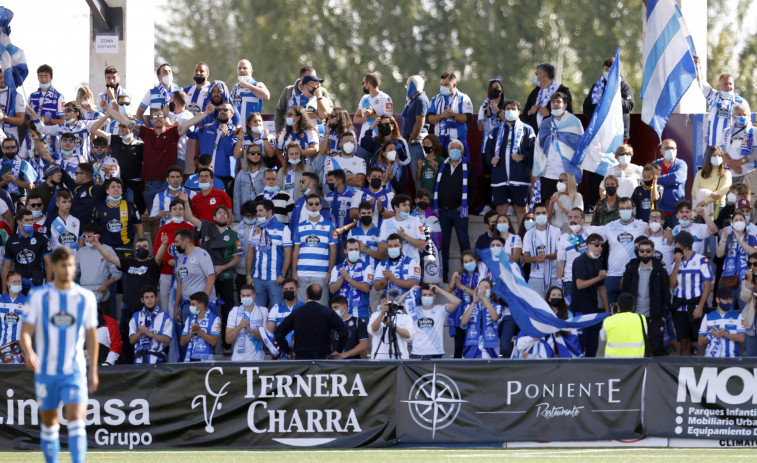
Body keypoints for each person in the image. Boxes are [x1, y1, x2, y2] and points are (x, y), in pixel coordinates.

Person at [19, 246, 99, 463]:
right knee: (50, 423)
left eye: (71, 265)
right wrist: (29, 353)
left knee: (76, 420)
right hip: (47, 371)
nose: (68, 270)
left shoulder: (85, 297)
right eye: (63, 265)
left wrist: (93, 371)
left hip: (74, 370)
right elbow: (25, 332)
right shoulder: (38, 296)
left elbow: (92, 336)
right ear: (54, 266)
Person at [484, 99, 535, 223]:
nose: (510, 111)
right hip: (500, 177)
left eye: (513, 109)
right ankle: (500, 240)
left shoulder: (527, 130)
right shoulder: (496, 130)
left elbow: (534, 152)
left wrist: (522, 157)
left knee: (521, 209)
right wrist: (491, 160)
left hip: (519, 177)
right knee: (500, 209)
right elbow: (487, 151)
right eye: (507, 109)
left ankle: (523, 239)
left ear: (519, 112)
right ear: (503, 111)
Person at [433, 139, 476, 281]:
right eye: (452, 148)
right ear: (448, 151)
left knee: (464, 243)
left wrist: (465, 205)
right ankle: (443, 276)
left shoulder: (467, 166)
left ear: (463, 152)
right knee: (443, 244)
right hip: (443, 212)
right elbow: (436, 185)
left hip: (459, 212)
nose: (455, 151)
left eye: (458, 149)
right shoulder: (442, 166)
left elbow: (473, 189)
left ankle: (467, 276)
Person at [620, 239, 671, 356]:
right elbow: (624, 291)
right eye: (642, 251)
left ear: (653, 252)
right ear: (638, 252)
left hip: (655, 316)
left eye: (648, 251)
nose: (645, 254)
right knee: (637, 348)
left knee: (657, 349)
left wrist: (663, 316)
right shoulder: (631, 268)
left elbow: (666, 293)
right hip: (634, 316)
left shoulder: (660, 269)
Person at [274, 283, 348, 360]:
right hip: (323, 360)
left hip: (302, 359)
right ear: (320, 296)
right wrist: (338, 350)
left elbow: (278, 332)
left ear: (307, 295)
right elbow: (344, 331)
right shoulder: (329, 313)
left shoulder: (296, 313)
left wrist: (288, 351)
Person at [596, 197, 648, 305]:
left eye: (628, 208)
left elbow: (658, 232)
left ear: (633, 209)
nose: (625, 211)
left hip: (633, 274)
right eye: (622, 208)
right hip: (612, 275)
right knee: (612, 311)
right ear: (618, 210)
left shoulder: (642, 226)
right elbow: (593, 238)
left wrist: (669, 231)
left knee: (631, 310)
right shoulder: (610, 226)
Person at [533, 92, 584, 200]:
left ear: (565, 105)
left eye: (558, 102)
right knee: (549, 204)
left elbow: (581, 148)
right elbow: (538, 147)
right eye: (553, 102)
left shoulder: (575, 122)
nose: (555, 104)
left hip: (569, 174)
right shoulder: (545, 123)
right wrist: (538, 170)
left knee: (569, 204)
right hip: (548, 173)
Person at [670, 231, 712, 357]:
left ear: (682, 244)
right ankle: (683, 373)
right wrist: (677, 264)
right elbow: (671, 285)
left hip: (696, 306)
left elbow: (707, 286)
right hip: (680, 308)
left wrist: (700, 306)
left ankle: (706, 370)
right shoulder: (675, 261)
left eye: (676, 242)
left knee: (701, 340)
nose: (674, 245)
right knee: (684, 341)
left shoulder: (701, 260)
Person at [291, 194, 337, 305]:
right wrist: (294, 272)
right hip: (302, 273)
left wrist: (330, 272)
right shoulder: (299, 227)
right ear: (306, 206)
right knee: (302, 309)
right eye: (310, 204)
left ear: (321, 206)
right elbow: (295, 251)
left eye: (316, 204)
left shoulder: (330, 226)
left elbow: (334, 251)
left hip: (321, 274)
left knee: (322, 309)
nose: (313, 206)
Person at [245, 199, 292, 308]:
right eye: (257, 211)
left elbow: (288, 255)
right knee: (258, 312)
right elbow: (250, 253)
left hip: (275, 279)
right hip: (257, 278)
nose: (257, 214)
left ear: (269, 211)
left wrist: (283, 274)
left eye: (260, 211)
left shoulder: (283, 229)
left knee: (277, 310)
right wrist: (248, 275)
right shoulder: (255, 228)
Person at [512, 286, 582, 358]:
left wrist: (558, 335)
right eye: (553, 295)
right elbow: (522, 340)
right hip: (543, 355)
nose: (556, 297)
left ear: (562, 299)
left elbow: (573, 336)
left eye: (559, 295)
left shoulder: (568, 315)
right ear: (548, 298)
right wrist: (534, 338)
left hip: (563, 355)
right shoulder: (539, 314)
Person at [694, 55, 745, 149]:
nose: (728, 86)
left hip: (732, 147)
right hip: (713, 146)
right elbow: (701, 83)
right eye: (725, 84)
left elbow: (746, 123)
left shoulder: (741, 102)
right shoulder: (713, 96)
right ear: (719, 86)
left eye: (730, 84)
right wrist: (697, 66)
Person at [572, 233, 609, 357]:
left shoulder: (598, 262)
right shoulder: (580, 261)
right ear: (588, 245)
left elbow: (602, 288)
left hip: (593, 309)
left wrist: (607, 310)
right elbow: (580, 285)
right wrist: (598, 278)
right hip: (580, 309)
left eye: (602, 245)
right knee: (581, 345)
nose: (599, 247)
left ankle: (590, 373)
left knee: (593, 346)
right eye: (596, 244)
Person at [448, 250, 487, 358]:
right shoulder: (461, 275)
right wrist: (453, 281)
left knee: (474, 347)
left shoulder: (482, 274)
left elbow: (478, 294)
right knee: (458, 348)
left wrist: (461, 286)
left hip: (476, 314)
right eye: (466, 261)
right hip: (459, 314)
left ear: (476, 260)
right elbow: (447, 292)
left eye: (471, 260)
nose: (469, 263)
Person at [3, 209, 53, 291]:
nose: (30, 223)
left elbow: (49, 264)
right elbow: (6, 267)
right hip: (18, 286)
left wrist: (47, 288)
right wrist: (4, 292)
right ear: (19, 222)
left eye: (31, 220)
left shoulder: (41, 238)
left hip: (38, 284)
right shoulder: (11, 241)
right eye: (27, 220)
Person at [274, 66, 334, 133]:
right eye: (314, 83)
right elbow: (290, 116)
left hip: (320, 135)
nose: (318, 86)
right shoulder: (292, 96)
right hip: (299, 135)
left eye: (318, 83)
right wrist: (315, 115)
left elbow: (326, 115)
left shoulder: (323, 95)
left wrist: (319, 97)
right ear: (305, 83)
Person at [427, 72, 474, 156]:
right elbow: (429, 119)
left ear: (454, 85)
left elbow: (468, 118)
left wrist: (452, 115)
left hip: (457, 142)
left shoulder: (463, 98)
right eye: (441, 84)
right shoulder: (435, 99)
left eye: (446, 84)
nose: (443, 87)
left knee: (459, 167)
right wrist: (441, 115)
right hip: (440, 142)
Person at [410, 283, 461, 359]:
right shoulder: (413, 310)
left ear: (434, 296)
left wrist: (440, 290)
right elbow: (398, 305)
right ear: (420, 297)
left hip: (435, 353)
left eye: (430, 295)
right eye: (424, 295)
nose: (427, 297)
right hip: (416, 353)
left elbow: (457, 302)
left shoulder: (440, 309)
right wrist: (410, 292)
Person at [716, 211, 757, 307]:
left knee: (745, 311)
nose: (738, 222)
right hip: (728, 278)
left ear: (745, 222)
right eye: (736, 220)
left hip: (745, 279)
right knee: (727, 310)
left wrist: (740, 240)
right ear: (732, 223)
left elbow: (754, 253)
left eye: (741, 220)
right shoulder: (727, 236)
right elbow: (719, 254)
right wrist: (725, 238)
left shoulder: (751, 238)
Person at [328, 238, 373, 323]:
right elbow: (332, 289)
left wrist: (348, 278)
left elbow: (367, 288)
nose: (354, 252)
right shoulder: (337, 268)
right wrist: (341, 278)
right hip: (342, 314)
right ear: (345, 251)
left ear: (359, 250)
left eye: (356, 249)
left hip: (361, 314)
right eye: (351, 249)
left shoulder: (367, 267)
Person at [522, 202, 561, 298]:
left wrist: (546, 256)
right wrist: (536, 258)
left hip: (553, 276)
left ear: (547, 214)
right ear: (534, 216)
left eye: (543, 213)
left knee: (555, 308)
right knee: (537, 309)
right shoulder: (529, 234)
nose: (541, 215)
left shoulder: (556, 231)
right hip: (535, 277)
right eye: (538, 213)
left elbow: (560, 254)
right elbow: (525, 258)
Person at [92, 177, 144, 248]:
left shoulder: (131, 206)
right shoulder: (99, 208)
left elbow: (139, 225)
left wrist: (142, 245)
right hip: (105, 249)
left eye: (119, 187)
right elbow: (95, 230)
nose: (116, 189)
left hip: (126, 248)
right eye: (113, 187)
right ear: (107, 191)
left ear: (121, 191)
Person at [77, 223, 122, 304]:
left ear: (97, 237)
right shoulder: (81, 252)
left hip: (102, 298)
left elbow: (117, 273)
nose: (86, 240)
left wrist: (106, 284)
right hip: (84, 298)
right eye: (84, 237)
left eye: (89, 237)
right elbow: (74, 271)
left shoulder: (107, 250)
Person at [129, 285, 173, 364]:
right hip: (139, 360)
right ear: (142, 300)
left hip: (158, 360)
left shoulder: (165, 316)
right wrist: (141, 332)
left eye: (152, 297)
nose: (149, 300)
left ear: (156, 298)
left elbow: (168, 340)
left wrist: (149, 333)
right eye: (146, 297)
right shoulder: (136, 316)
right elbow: (131, 340)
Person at [525, 63, 574, 134]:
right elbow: (526, 113)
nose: (535, 77)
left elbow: (568, 114)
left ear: (544, 75)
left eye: (536, 74)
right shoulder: (535, 92)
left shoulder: (563, 91)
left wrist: (549, 114)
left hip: (554, 135)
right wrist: (530, 112)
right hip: (535, 137)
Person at [698, 286, 746, 357]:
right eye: (725, 299)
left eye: (730, 299)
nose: (728, 301)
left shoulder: (738, 316)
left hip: (732, 358)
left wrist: (723, 334)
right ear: (717, 300)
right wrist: (712, 335)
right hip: (711, 359)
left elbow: (742, 338)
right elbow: (700, 342)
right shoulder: (707, 317)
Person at [460, 279, 502, 359]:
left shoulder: (497, 306)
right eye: (481, 287)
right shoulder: (471, 306)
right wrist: (474, 302)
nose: (483, 290)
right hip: (471, 348)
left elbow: (495, 318)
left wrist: (484, 297)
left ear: (491, 292)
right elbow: (463, 322)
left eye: (486, 287)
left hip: (490, 349)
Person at [373, 233, 421, 301]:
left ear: (401, 246)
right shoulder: (381, 264)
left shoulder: (411, 262)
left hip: (407, 305)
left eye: (396, 246)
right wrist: (385, 279)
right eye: (390, 246)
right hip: (389, 305)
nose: (393, 248)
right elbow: (376, 286)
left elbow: (415, 283)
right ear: (387, 248)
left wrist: (394, 280)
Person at [226, 284, 268, 362]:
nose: (245, 298)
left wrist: (250, 330)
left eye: (248, 295)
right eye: (243, 296)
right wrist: (239, 327)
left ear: (254, 296)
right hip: (238, 359)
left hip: (257, 359)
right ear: (240, 296)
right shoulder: (234, 311)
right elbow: (228, 339)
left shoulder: (263, 311)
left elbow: (266, 339)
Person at [379, 194, 425, 264]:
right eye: (404, 205)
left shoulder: (416, 221)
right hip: (392, 265)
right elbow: (381, 248)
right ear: (396, 207)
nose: (407, 208)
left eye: (408, 205)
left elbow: (422, 246)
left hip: (412, 264)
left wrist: (404, 236)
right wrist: (396, 241)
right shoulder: (386, 223)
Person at [400, 75, 429, 187]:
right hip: (412, 142)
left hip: (416, 142)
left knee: (418, 175)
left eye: (407, 85)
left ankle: (422, 203)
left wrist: (412, 138)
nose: (406, 87)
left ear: (413, 85)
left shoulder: (421, 99)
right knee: (414, 174)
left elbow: (420, 122)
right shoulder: (413, 100)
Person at [368, 292, 414, 360]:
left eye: (395, 300)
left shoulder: (405, 317)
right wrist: (382, 313)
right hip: (379, 360)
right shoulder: (375, 315)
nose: (392, 302)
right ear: (383, 300)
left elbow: (409, 335)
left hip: (400, 359)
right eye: (390, 299)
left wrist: (393, 326)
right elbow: (372, 330)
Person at [600, 293, 647, 358]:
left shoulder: (608, 320)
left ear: (618, 307)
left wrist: (613, 316)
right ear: (633, 308)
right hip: (636, 365)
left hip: (613, 364)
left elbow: (603, 337)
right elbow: (645, 334)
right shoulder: (641, 319)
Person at [653, 139, 688, 227]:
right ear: (661, 151)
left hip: (676, 213)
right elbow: (649, 179)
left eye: (672, 148)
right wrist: (669, 181)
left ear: (676, 151)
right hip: (659, 212)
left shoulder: (681, 164)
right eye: (667, 148)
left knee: (678, 239)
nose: (670, 150)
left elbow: (677, 177)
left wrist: (658, 179)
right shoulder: (655, 165)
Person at [266, 278, 304, 358]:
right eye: (286, 289)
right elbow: (270, 331)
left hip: (302, 349)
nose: (288, 291)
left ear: (297, 290)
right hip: (283, 350)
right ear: (282, 291)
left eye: (291, 289)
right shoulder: (276, 308)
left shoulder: (304, 307)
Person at [180, 291, 220, 362]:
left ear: (201, 305)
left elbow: (213, 341)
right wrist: (191, 332)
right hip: (190, 359)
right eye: (190, 304)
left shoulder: (215, 319)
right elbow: (182, 342)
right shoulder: (189, 319)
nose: (190, 307)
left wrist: (199, 331)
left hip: (206, 360)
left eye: (193, 304)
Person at [691, 146, 732, 216]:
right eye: (714, 155)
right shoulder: (700, 173)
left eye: (719, 155)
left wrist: (705, 200)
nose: (717, 157)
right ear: (709, 158)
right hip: (702, 207)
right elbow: (694, 193)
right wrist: (709, 195)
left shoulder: (726, 174)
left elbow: (722, 191)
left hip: (718, 208)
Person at [230, 59, 271, 128]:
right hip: (237, 130)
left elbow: (266, 96)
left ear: (251, 71)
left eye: (245, 68)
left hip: (252, 130)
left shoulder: (257, 84)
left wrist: (247, 85)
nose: (242, 70)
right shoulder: (236, 87)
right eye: (239, 68)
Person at [721, 103, 756, 180]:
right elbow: (722, 150)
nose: (742, 117)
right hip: (730, 173)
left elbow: (755, 152)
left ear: (748, 116)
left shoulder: (754, 131)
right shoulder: (726, 132)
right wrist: (733, 165)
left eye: (744, 114)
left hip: (748, 173)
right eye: (739, 114)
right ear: (733, 116)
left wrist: (738, 163)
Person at [329, 295, 369, 359]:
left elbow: (364, 344)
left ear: (344, 307)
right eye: (332, 308)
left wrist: (345, 354)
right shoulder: (330, 324)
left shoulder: (358, 322)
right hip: (334, 364)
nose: (333, 310)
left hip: (353, 364)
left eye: (336, 307)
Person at [0, 272, 27, 352]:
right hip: (1, 348)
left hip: (19, 350)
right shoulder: (0, 300)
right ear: (8, 283)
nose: (17, 284)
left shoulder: (27, 301)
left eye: (19, 281)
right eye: (14, 282)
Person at [738, 253, 757, 356]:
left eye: (755, 264)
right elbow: (745, 298)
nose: (752, 267)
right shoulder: (746, 280)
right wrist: (749, 283)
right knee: (751, 354)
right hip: (752, 319)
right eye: (750, 264)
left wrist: (753, 291)